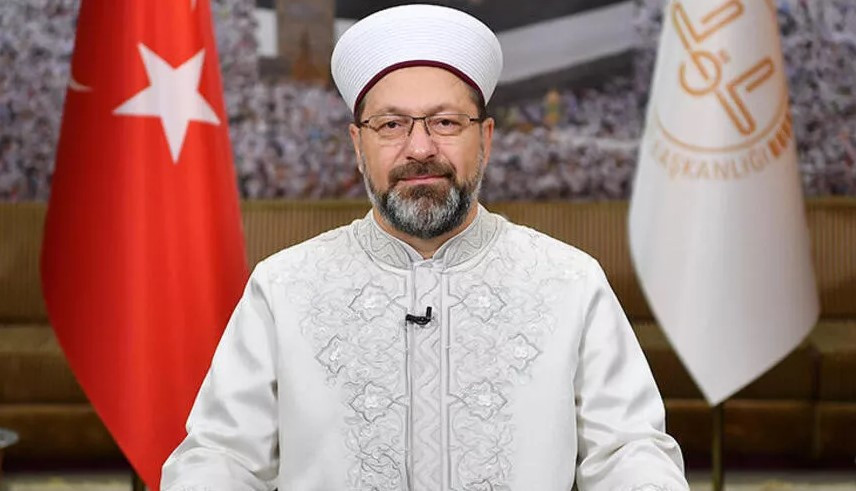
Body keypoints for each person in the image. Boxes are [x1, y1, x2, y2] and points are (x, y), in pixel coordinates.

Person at [161, 4, 689, 490]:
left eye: (445, 122)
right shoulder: (283, 287)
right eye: (391, 125)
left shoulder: (569, 281)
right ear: (358, 144)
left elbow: (628, 450)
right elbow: (222, 456)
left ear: (485, 139)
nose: (419, 148)